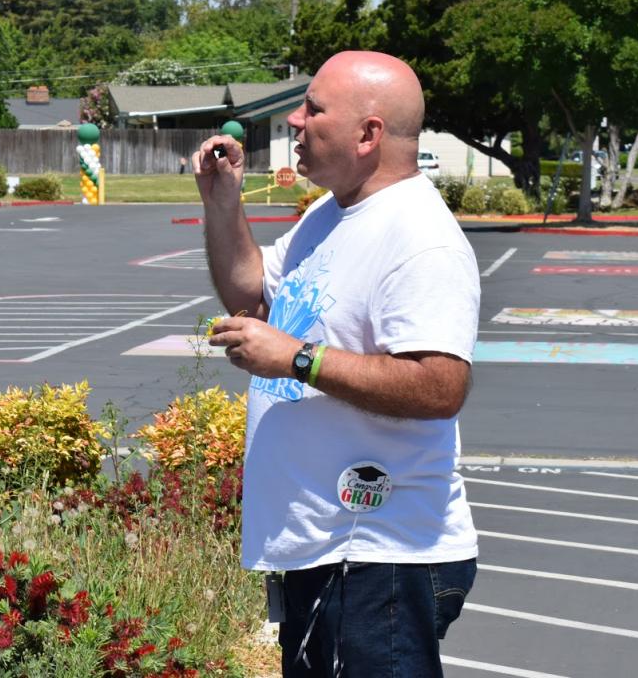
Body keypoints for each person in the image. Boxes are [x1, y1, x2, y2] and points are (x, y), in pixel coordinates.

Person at [193, 50, 479, 678]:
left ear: (367, 134)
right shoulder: (332, 213)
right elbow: (251, 292)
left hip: (384, 558)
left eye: (313, 108)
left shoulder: (419, 238)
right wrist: (222, 201)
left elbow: (439, 386)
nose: (295, 120)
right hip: (330, 552)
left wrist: (295, 357)